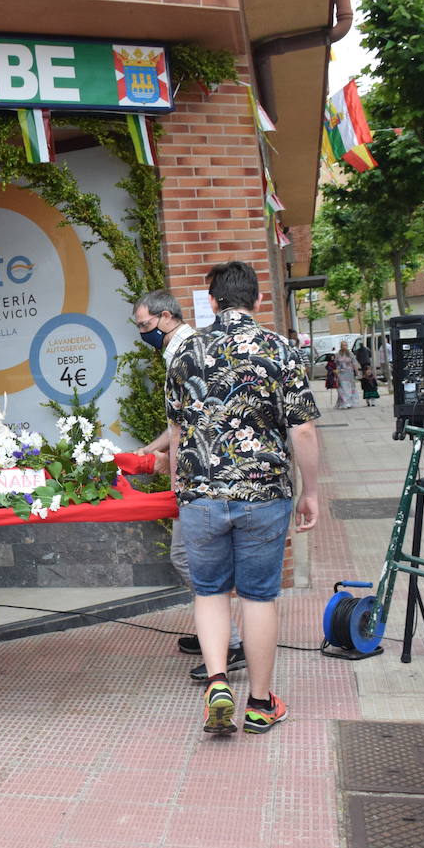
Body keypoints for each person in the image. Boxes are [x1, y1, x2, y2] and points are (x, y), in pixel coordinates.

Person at [165, 260, 321, 737]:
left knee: (208, 592)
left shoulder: (185, 350)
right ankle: (258, 702)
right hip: (263, 491)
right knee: (258, 597)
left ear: (211, 301)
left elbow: (176, 429)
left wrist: (179, 485)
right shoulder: (279, 349)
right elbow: (304, 430)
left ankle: (217, 683)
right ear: (257, 300)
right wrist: (310, 490)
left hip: (201, 493)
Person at [132, 289, 245, 681]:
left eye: (145, 325)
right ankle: (214, 632)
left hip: (198, 477)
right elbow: (179, 420)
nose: (143, 333)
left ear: (165, 317)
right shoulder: (187, 347)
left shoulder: (182, 351)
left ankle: (228, 643)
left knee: (190, 559)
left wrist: (173, 472)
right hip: (206, 473)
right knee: (194, 561)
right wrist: (151, 448)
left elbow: (183, 425)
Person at [334, 341, 361, 409]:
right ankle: (345, 402)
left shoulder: (350, 354)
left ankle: (350, 402)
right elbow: (336, 364)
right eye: (343, 345)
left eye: (346, 345)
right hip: (341, 374)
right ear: (341, 346)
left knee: (350, 388)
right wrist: (335, 372)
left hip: (349, 374)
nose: (344, 346)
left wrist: (357, 373)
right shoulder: (338, 354)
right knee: (343, 388)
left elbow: (354, 363)